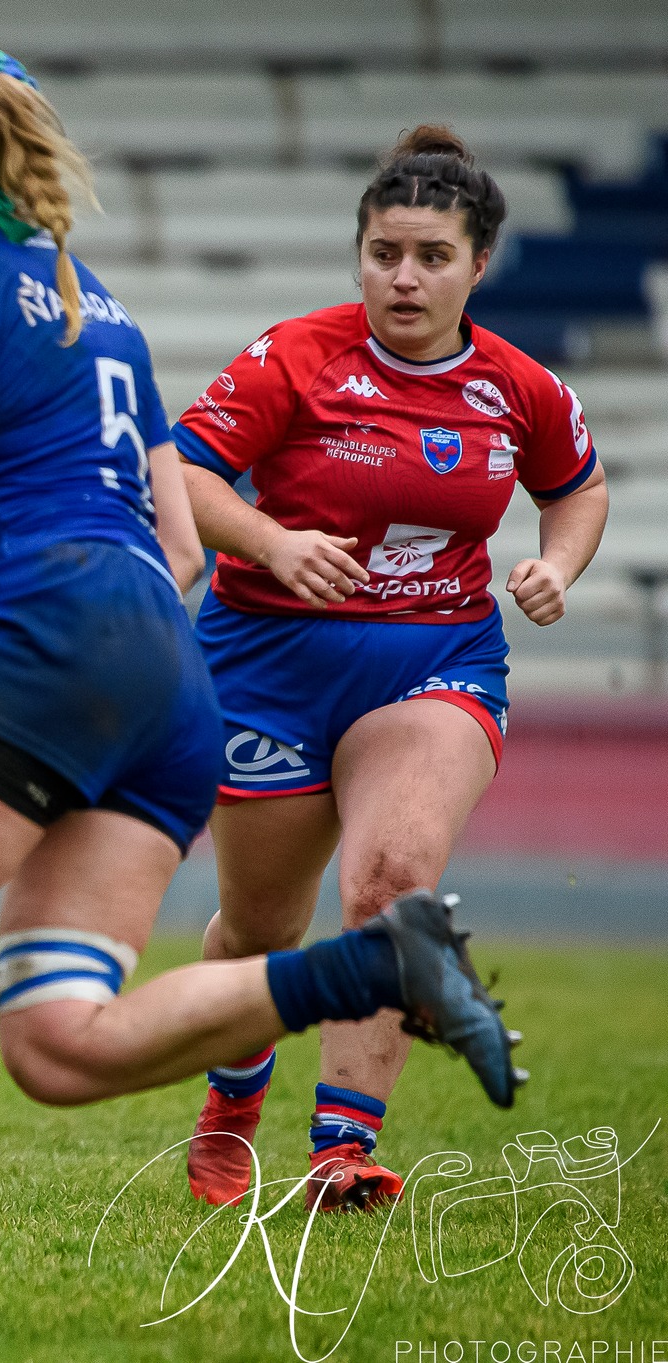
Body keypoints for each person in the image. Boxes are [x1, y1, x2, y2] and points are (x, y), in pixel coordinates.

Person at [0, 50, 522, 1341]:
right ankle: (373, 960)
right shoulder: (97, 303)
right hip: (173, 668)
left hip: (47, 635)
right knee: (60, 1041)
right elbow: (181, 545)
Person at [170, 126, 607, 1213]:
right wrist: (269, 543)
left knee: (389, 885)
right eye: (381, 253)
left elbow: (577, 489)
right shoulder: (294, 357)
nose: (401, 276)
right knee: (263, 925)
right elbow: (182, 474)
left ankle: (339, 1150)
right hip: (264, 662)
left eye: (427, 256)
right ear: (358, 253)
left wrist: (555, 563)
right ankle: (230, 1103)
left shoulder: (519, 388)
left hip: (435, 660)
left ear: (476, 264)